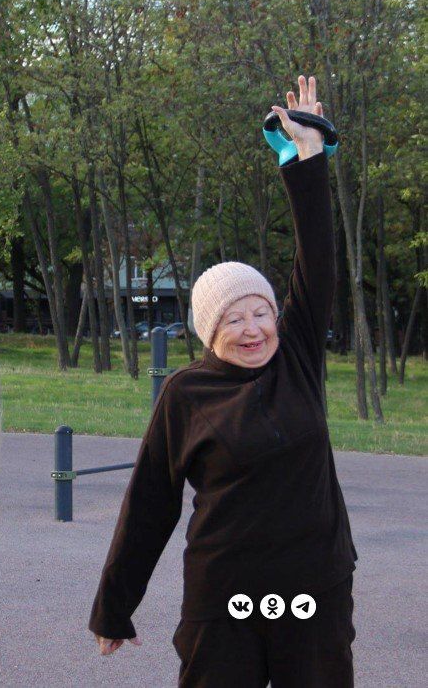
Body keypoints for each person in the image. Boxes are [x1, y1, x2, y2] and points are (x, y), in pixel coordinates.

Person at [89, 76, 357, 687]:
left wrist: (309, 153)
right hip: (225, 599)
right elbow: (150, 503)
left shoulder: (297, 357)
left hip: (313, 590)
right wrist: (115, 607)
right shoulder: (187, 394)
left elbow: (316, 259)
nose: (254, 328)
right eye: (235, 319)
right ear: (210, 333)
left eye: (261, 311)